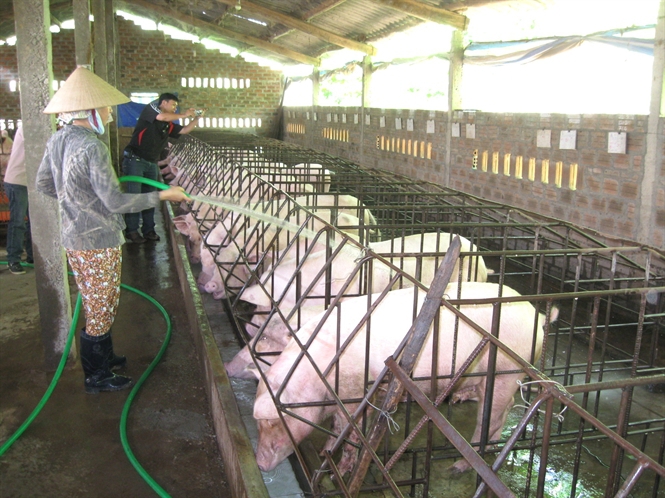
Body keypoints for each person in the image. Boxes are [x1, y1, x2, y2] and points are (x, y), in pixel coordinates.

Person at [36, 66, 190, 394]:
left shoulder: (57, 140)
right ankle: (97, 376)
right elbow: (117, 202)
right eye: (105, 109)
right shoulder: (93, 147)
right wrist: (164, 194)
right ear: (89, 112)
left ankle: (105, 356)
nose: (109, 115)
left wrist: (76, 202)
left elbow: (44, 184)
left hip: (75, 235)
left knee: (99, 299)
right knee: (102, 303)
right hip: (97, 238)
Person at [122, 93, 201, 244]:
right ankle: (131, 231)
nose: (174, 108)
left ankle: (149, 230)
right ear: (163, 103)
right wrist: (185, 114)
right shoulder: (151, 109)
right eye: (173, 105)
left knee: (150, 196)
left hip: (151, 162)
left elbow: (184, 131)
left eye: (176, 106)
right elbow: (162, 117)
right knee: (135, 195)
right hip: (136, 160)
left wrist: (196, 119)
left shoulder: (168, 124)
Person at [3, 125, 34, 275]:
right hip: (17, 181)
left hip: (30, 183)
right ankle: (13, 259)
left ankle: (32, 256)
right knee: (18, 221)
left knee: (34, 222)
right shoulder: (28, 127)